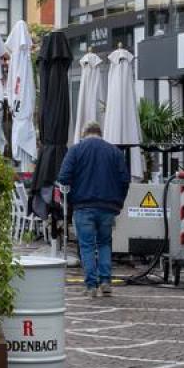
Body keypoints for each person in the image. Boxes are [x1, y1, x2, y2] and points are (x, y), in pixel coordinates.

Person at [56, 121, 131, 297]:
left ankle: (91, 285)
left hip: (83, 206)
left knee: (87, 246)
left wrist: (67, 198)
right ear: (100, 133)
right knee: (104, 243)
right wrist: (119, 201)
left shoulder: (75, 150)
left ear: (84, 134)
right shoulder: (114, 152)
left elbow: (63, 177)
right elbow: (125, 180)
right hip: (108, 207)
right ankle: (105, 281)